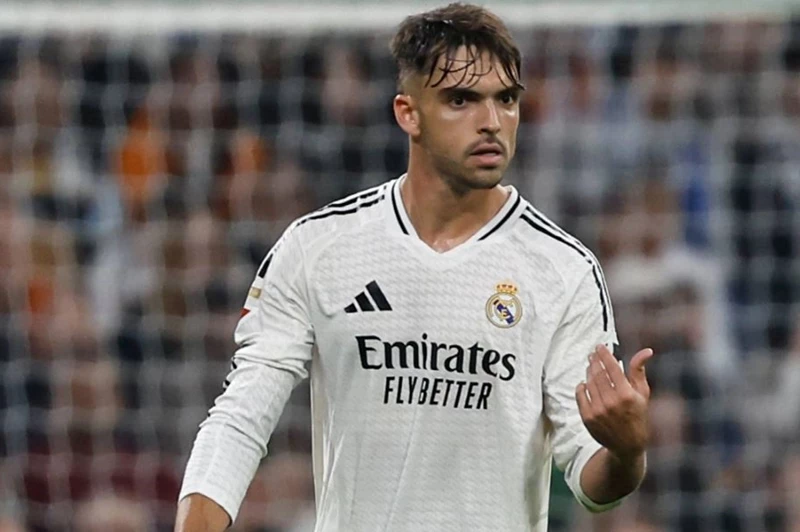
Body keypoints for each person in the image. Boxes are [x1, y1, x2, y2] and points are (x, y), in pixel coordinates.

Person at [175, 4, 653, 531]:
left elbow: (592, 480)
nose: (492, 122)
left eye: (506, 99)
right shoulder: (319, 248)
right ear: (408, 113)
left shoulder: (564, 270)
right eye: (461, 100)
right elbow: (240, 421)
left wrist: (627, 452)